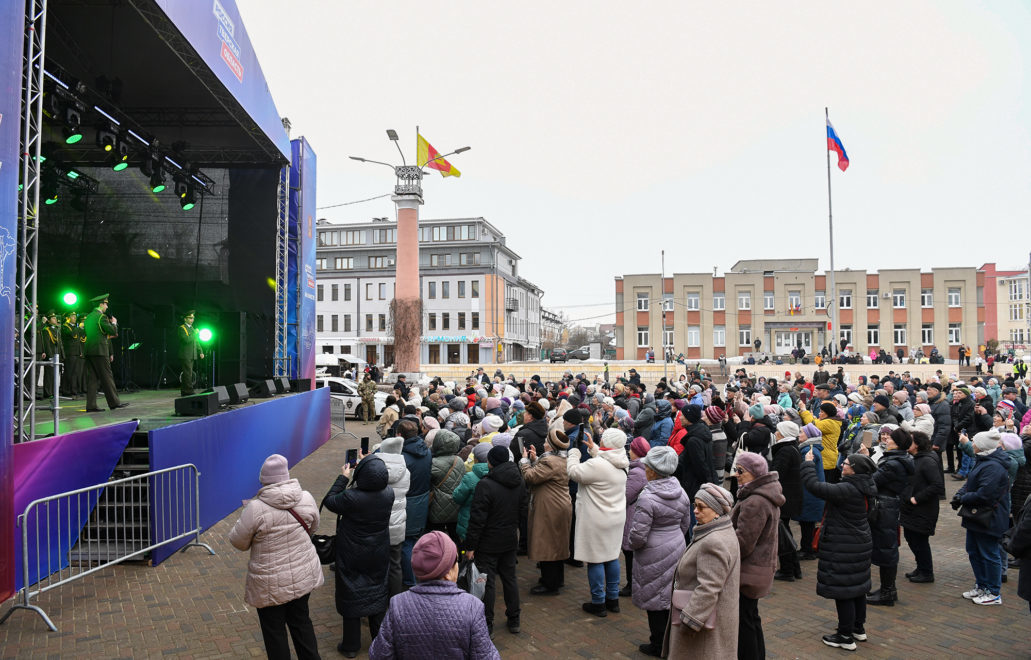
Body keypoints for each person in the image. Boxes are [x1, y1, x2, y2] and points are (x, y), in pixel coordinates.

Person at [228, 454, 323, 660]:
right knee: (301, 623)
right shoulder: (306, 497)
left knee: (274, 633)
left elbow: (238, 542)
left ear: (264, 480)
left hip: (269, 582)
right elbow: (314, 526)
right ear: (286, 476)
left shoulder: (255, 508)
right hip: (302, 575)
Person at [369, 531, 500, 659]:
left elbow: (378, 654)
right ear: (447, 572)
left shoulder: (398, 605)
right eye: (456, 561)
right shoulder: (473, 607)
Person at [801, 451, 877, 651]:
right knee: (858, 587)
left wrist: (808, 464)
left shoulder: (847, 489)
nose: (842, 465)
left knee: (843, 590)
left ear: (856, 470)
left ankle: (845, 636)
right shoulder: (865, 485)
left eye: (847, 463)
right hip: (859, 542)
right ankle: (857, 628)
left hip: (844, 545)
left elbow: (814, 487)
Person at [323, 453, 393, 657]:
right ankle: (379, 642)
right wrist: (369, 461)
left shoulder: (351, 497)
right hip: (378, 550)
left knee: (351, 590)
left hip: (352, 551)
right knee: (377, 590)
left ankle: (351, 646)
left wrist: (344, 478)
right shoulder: (389, 494)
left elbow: (329, 501)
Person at [662, 483, 740, 658]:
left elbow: (709, 587)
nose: (695, 511)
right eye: (694, 505)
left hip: (702, 628)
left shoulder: (713, 542)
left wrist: (690, 621)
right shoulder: (723, 530)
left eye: (701, 507)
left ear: (717, 510)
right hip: (714, 620)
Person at [628, 446, 691, 657]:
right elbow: (685, 523)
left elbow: (638, 534)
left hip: (652, 551)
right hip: (676, 545)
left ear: (653, 471)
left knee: (654, 600)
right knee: (670, 598)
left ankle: (657, 645)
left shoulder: (647, 497)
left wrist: (633, 545)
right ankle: (670, 641)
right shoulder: (681, 491)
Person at [464, 445, 528, 637]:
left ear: (490, 462)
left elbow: (477, 519)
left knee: (488, 583)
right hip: (509, 538)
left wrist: (470, 546)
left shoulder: (485, 485)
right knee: (510, 578)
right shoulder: (519, 481)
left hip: (488, 542)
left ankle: (487, 623)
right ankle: (514, 618)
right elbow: (523, 511)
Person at [567, 427, 630, 617]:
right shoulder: (623, 461)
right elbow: (606, 461)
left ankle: (598, 602)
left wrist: (574, 453)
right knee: (611, 556)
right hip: (615, 517)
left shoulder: (596, 466)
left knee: (595, 559)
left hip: (596, 518)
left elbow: (573, 472)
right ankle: (613, 599)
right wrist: (595, 450)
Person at [731, 452, 784, 660]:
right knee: (751, 617)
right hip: (760, 567)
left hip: (750, 570)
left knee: (744, 620)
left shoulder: (755, 501)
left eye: (740, 471)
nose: (736, 474)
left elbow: (744, 543)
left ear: (754, 473)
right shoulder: (765, 494)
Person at [954, 429, 1012, 605]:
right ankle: (982, 585)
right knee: (974, 551)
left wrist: (963, 498)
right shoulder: (983, 461)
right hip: (978, 517)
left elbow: (985, 494)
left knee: (988, 554)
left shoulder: (993, 467)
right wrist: (960, 494)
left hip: (989, 518)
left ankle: (993, 592)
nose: (972, 445)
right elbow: (971, 482)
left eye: (975, 442)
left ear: (982, 446)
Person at [519, 428, 573, 595]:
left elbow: (531, 477)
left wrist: (524, 461)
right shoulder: (561, 459)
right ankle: (557, 579)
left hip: (550, 507)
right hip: (559, 504)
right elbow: (544, 474)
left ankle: (550, 584)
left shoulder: (550, 462)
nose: (543, 444)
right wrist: (536, 460)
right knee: (557, 543)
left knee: (548, 544)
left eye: (545, 442)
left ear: (550, 446)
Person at [865, 427, 914, 606]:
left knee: (886, 548)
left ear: (898, 442)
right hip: (889, 504)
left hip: (885, 507)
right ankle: (887, 589)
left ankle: (888, 591)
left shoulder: (893, 463)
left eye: (891, 438)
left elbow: (873, 481)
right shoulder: (898, 458)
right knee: (886, 546)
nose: (887, 439)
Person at [900, 431, 945, 583]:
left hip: (923, 509)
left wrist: (916, 499)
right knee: (911, 537)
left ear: (917, 444)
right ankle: (921, 567)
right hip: (914, 508)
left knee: (919, 540)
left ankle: (927, 572)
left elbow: (937, 485)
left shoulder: (928, 461)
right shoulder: (917, 458)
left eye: (910, 441)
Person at [376, 436, 410, 596]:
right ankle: (395, 599)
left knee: (375, 566)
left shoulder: (374, 470)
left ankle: (377, 601)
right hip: (397, 524)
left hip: (377, 525)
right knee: (395, 565)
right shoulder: (406, 472)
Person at [399, 420, 431, 587]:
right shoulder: (427, 451)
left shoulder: (403, 458)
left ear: (399, 435)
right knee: (416, 540)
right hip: (422, 500)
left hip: (409, 502)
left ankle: (410, 581)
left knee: (406, 544)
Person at [771, 420, 803, 581]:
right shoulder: (792, 448)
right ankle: (793, 568)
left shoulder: (785, 451)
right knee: (785, 532)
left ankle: (788, 569)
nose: (776, 433)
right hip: (790, 497)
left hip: (785, 497)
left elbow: (777, 474)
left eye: (778, 431)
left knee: (782, 535)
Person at [83, 294, 126, 411]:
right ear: (101, 304)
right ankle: (114, 403)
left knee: (92, 379)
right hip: (100, 351)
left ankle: (91, 406)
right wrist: (114, 323)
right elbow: (112, 331)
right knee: (107, 377)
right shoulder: (101, 317)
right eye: (106, 304)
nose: (107, 306)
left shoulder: (89, 317)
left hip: (89, 350)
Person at [620, 436, 650, 598]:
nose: (628, 452)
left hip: (632, 515)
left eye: (631, 449)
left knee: (630, 553)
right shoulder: (642, 468)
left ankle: (632, 586)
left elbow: (625, 495)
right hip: (635, 513)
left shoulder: (638, 472)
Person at [428, 429, 465, 540]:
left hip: (438, 507)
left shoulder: (434, 463)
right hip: (456, 505)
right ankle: (459, 554)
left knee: (437, 537)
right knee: (455, 534)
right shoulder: (459, 460)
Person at [37, 310, 63, 399]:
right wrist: (50, 356)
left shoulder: (56, 329)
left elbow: (60, 344)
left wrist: (62, 355)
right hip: (51, 355)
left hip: (57, 355)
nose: (55, 319)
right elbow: (47, 345)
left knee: (56, 375)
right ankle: (48, 392)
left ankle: (54, 391)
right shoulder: (46, 330)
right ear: (48, 320)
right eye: (53, 318)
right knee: (49, 375)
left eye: (55, 318)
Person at [177, 310, 204, 396]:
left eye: (193, 318)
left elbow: (196, 341)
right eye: (190, 318)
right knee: (188, 373)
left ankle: (184, 391)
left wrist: (201, 351)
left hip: (192, 354)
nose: (192, 320)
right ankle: (189, 390)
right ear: (185, 319)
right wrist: (194, 333)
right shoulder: (182, 328)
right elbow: (186, 340)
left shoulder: (192, 329)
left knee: (188, 373)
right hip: (185, 354)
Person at [60, 311, 84, 397]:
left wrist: (80, 351)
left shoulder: (75, 327)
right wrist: (78, 328)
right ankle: (65, 390)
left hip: (76, 352)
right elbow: (71, 334)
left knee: (75, 373)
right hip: (69, 352)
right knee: (68, 372)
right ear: (67, 318)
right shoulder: (65, 327)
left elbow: (79, 339)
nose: (74, 318)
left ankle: (74, 390)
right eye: (72, 316)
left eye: (75, 316)